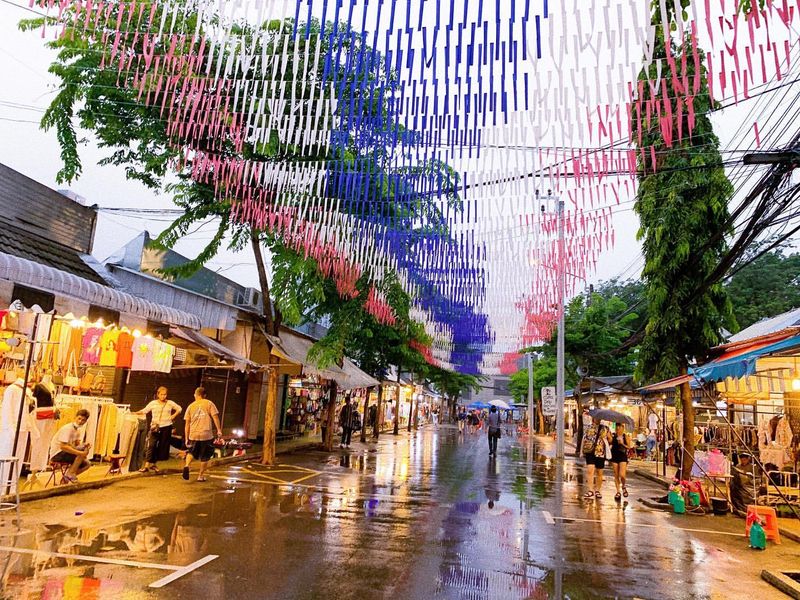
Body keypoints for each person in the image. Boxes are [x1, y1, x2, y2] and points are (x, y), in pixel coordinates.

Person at [136, 386, 182, 473]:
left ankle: (153, 464)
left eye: (165, 394)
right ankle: (146, 466)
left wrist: (173, 416)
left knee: (161, 446)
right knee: (151, 445)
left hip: (167, 427)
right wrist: (134, 413)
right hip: (155, 427)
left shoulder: (170, 403)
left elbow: (179, 408)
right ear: (158, 394)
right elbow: (145, 410)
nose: (163, 396)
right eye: (161, 394)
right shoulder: (153, 403)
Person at [182, 387, 222, 482]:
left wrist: (187, 437)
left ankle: (187, 465)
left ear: (196, 395)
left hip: (193, 434)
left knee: (191, 452)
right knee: (205, 456)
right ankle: (200, 476)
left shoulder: (190, 406)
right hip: (206, 434)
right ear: (204, 395)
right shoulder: (209, 403)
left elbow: (187, 424)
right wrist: (219, 430)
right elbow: (215, 417)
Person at [49, 409, 92, 483]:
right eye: (79, 418)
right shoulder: (68, 428)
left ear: (85, 421)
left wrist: (85, 445)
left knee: (87, 464)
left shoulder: (78, 431)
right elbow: (63, 446)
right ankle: (70, 473)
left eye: (83, 420)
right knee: (81, 452)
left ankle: (66, 477)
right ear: (75, 417)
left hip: (66, 453)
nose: (80, 421)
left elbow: (76, 445)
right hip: (57, 454)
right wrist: (80, 453)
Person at [581, 416, 609, 499]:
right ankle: (590, 490)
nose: (597, 419)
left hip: (600, 452)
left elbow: (610, 439)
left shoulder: (605, 428)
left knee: (599, 472)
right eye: (596, 418)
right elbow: (584, 439)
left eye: (599, 418)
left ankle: (597, 490)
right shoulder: (588, 428)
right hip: (590, 451)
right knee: (590, 470)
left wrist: (607, 438)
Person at [610, 423, 633, 501]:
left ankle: (623, 486)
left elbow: (629, 447)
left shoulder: (625, 436)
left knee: (622, 475)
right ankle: (618, 491)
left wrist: (622, 443)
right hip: (614, 456)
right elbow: (610, 443)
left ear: (623, 428)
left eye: (620, 427)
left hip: (622, 456)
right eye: (617, 426)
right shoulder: (613, 435)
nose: (618, 428)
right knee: (616, 474)